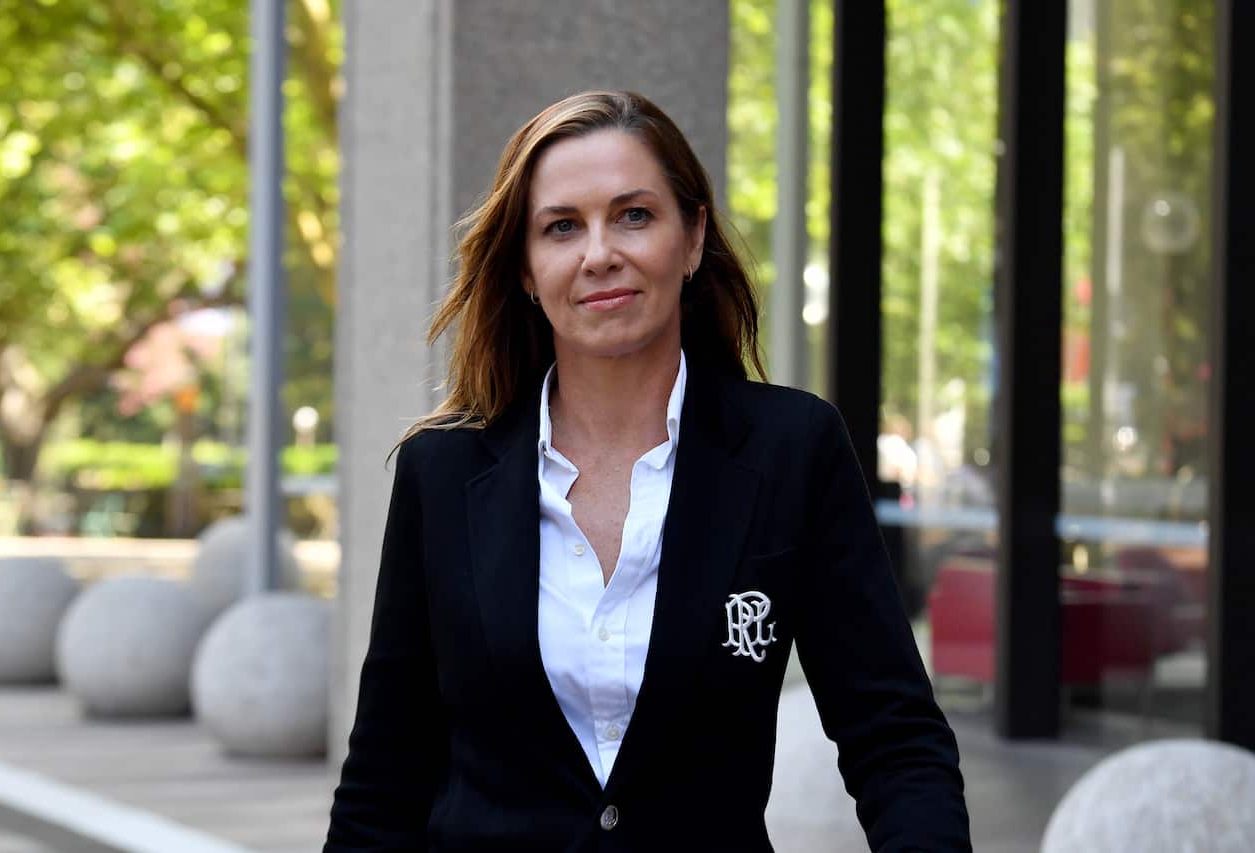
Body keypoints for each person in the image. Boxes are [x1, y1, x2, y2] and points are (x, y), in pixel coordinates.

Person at [324, 89, 971, 852]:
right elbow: (386, 774)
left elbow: (894, 738)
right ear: (527, 268)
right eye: (562, 226)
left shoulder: (793, 449)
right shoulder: (442, 471)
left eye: (634, 215)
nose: (599, 253)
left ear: (692, 238)